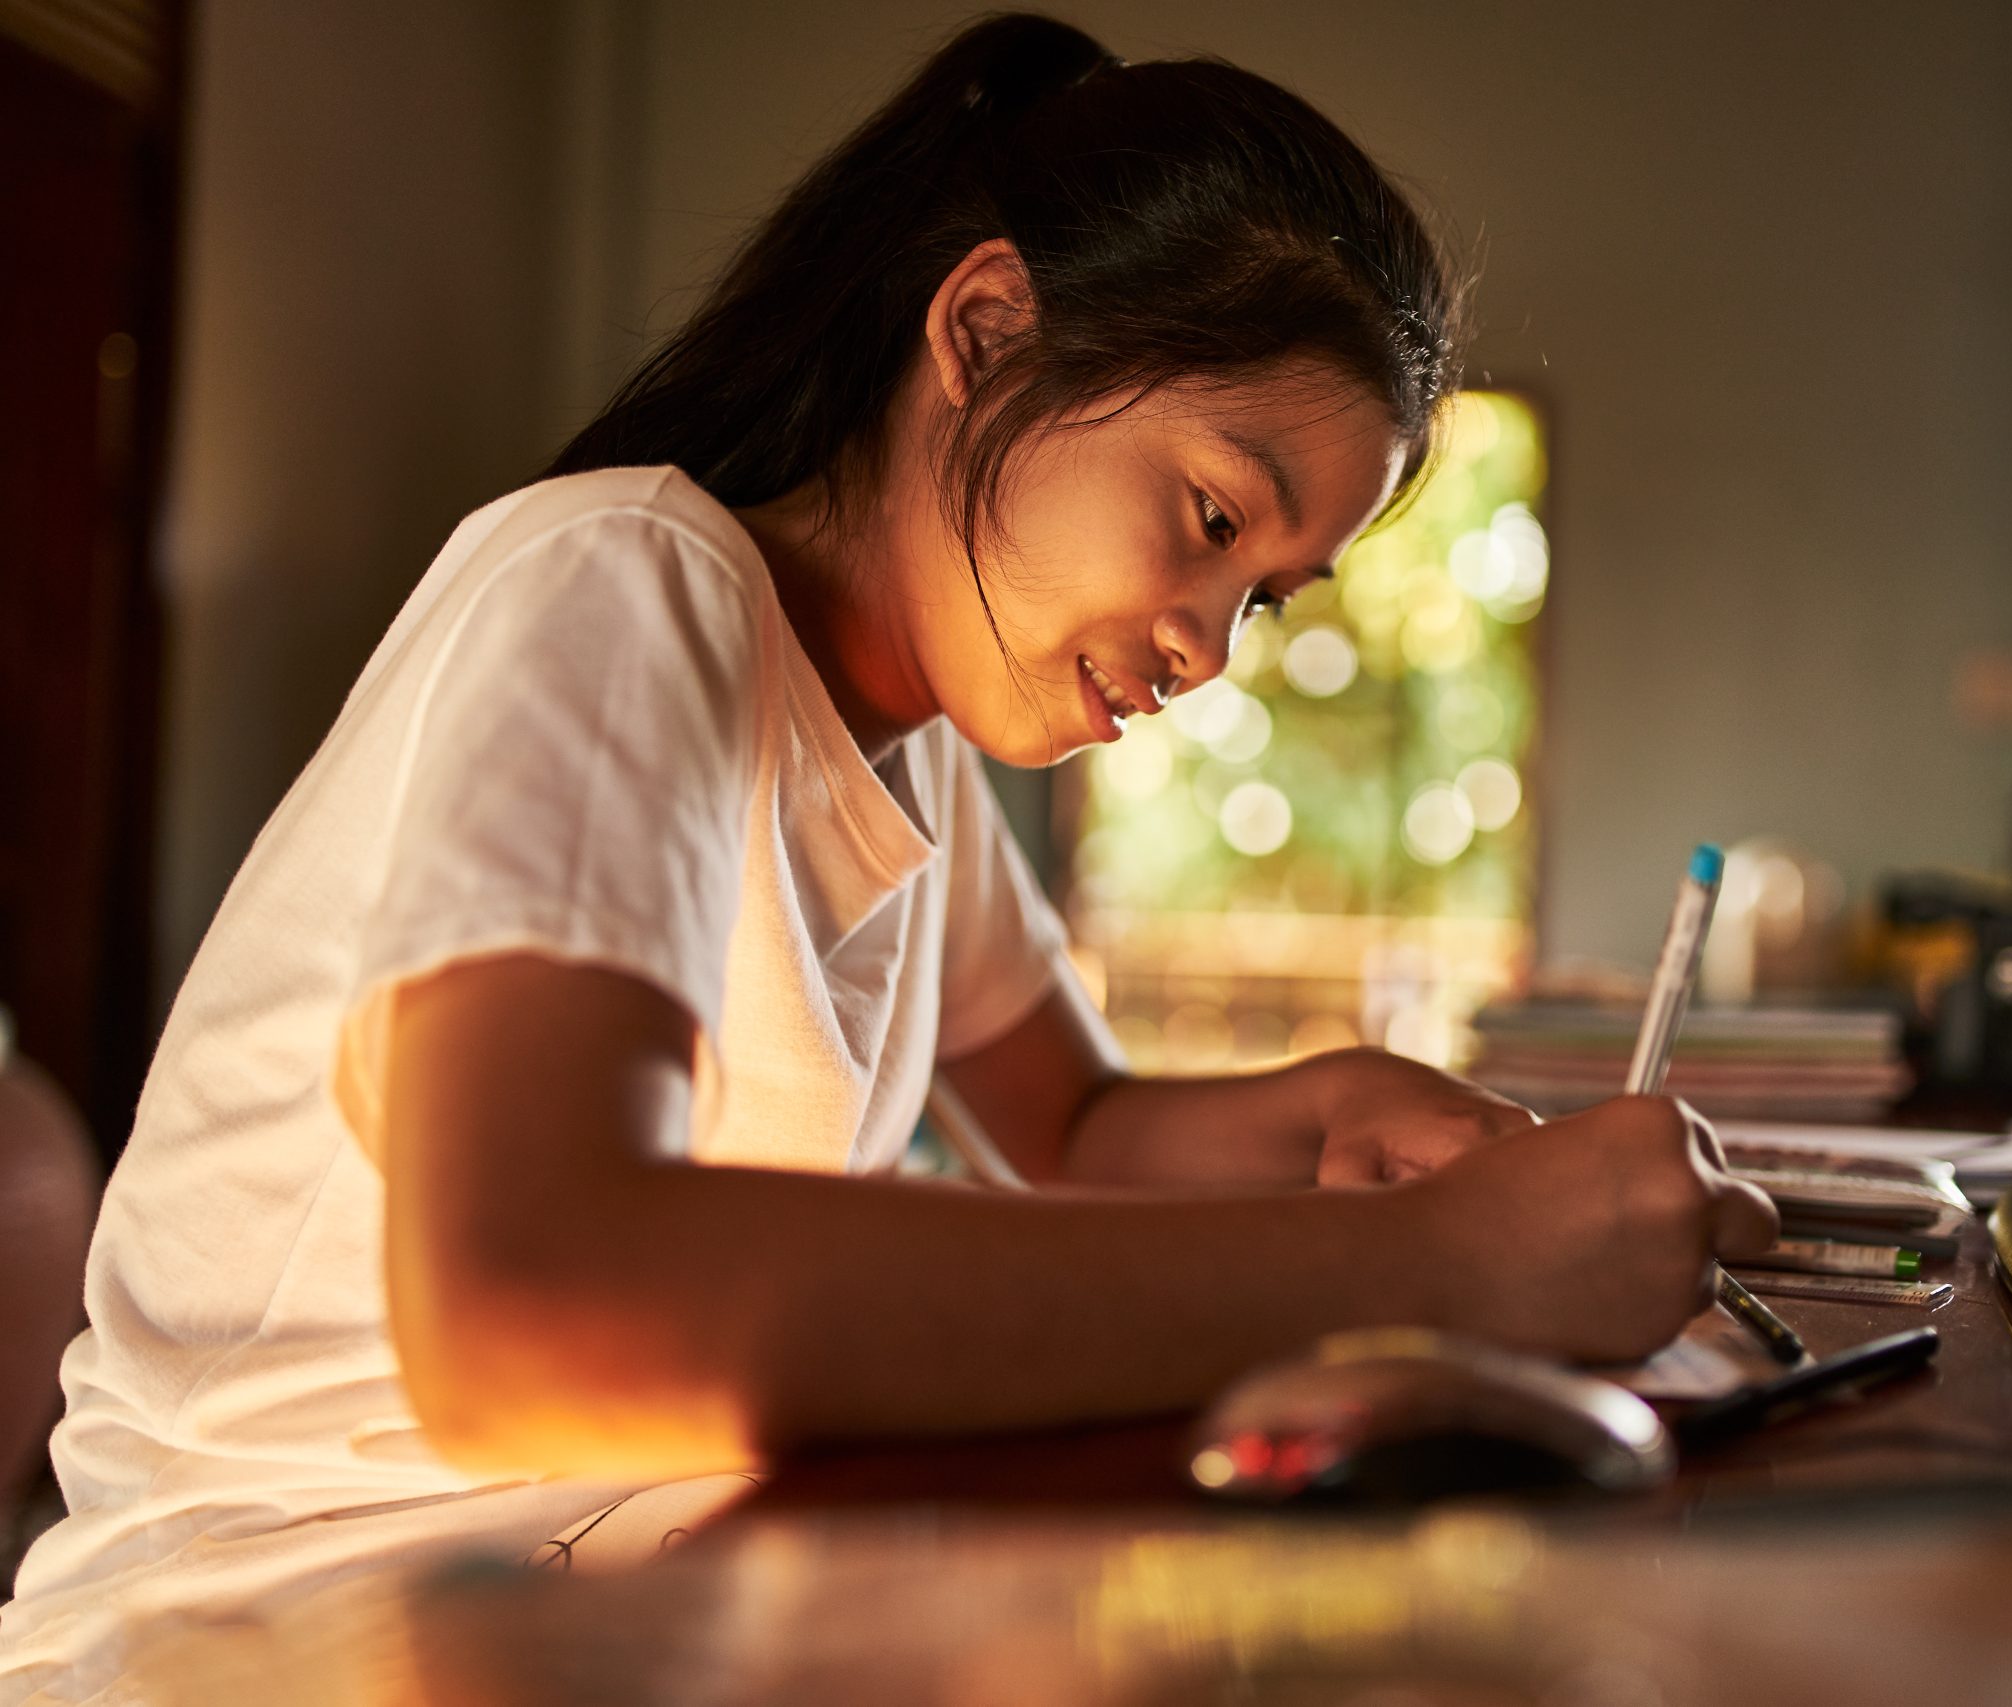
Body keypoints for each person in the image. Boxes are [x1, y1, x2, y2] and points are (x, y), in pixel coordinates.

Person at [0, 16, 1776, 1698]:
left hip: (605, 1598)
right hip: (266, 1639)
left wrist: (1333, 1111)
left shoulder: (910, 756)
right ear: (988, 331)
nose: (1211, 649)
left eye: (1261, 596)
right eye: (1211, 519)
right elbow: (529, 1309)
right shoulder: (621, 592)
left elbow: (1072, 1128)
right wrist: (1441, 1271)